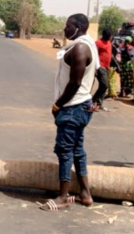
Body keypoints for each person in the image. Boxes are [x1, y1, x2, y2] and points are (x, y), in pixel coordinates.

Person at [40, 14, 98, 212]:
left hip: (72, 107)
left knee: (65, 151)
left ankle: (63, 197)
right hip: (81, 105)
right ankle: (85, 193)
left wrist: (58, 105)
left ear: (79, 27)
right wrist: (97, 99)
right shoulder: (88, 45)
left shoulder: (81, 48)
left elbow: (74, 83)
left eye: (68, 26)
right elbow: (104, 78)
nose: (65, 30)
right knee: (77, 150)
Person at [93, 28, 112, 111]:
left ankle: (99, 104)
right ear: (104, 35)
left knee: (103, 86)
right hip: (100, 66)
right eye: (108, 36)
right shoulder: (98, 43)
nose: (109, 37)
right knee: (104, 85)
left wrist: (117, 65)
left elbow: (110, 55)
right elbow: (93, 54)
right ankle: (92, 101)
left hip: (107, 67)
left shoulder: (109, 43)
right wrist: (95, 68)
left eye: (110, 36)